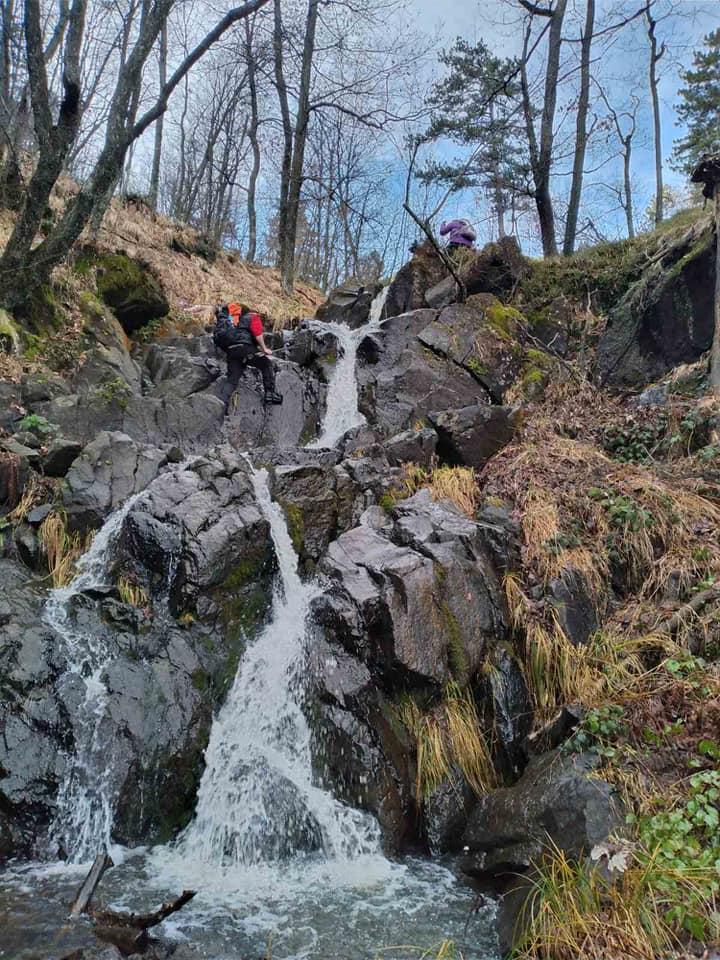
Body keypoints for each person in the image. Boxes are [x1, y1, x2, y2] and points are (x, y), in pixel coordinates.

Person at [214, 302, 283, 405]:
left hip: (232, 352)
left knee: (232, 380)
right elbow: (257, 334)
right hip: (246, 349)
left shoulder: (231, 322)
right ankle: (270, 394)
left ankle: (220, 403)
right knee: (266, 364)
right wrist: (264, 349)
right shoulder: (252, 316)